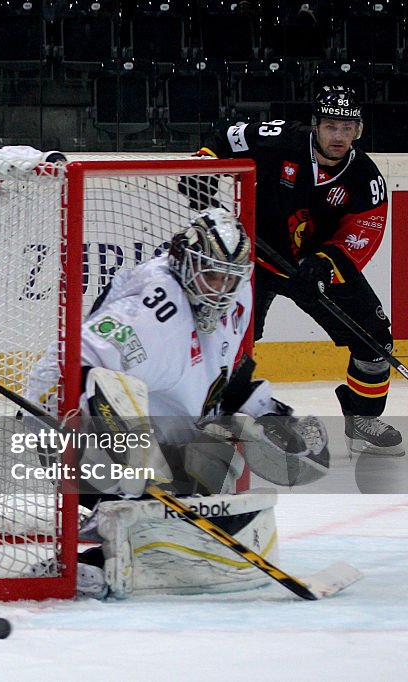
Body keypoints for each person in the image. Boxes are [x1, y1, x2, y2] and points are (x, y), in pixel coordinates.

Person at [25, 208, 329, 598]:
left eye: (230, 278)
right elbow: (65, 372)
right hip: (64, 429)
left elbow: (224, 383)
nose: (220, 288)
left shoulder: (236, 300)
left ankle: (130, 518)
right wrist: (124, 444)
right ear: (185, 262)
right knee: (177, 504)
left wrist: (269, 414)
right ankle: (91, 562)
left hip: (148, 427)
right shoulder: (152, 308)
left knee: (218, 468)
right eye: (211, 275)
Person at [182, 85, 403, 458]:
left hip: (315, 268)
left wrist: (325, 265)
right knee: (232, 336)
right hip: (257, 260)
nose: (339, 136)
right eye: (332, 125)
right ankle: (218, 414)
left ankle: (361, 421)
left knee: (375, 342)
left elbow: (364, 230)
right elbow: (227, 135)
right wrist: (204, 168)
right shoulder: (281, 139)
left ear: (359, 131)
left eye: (347, 127)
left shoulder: (365, 177)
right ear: (315, 125)